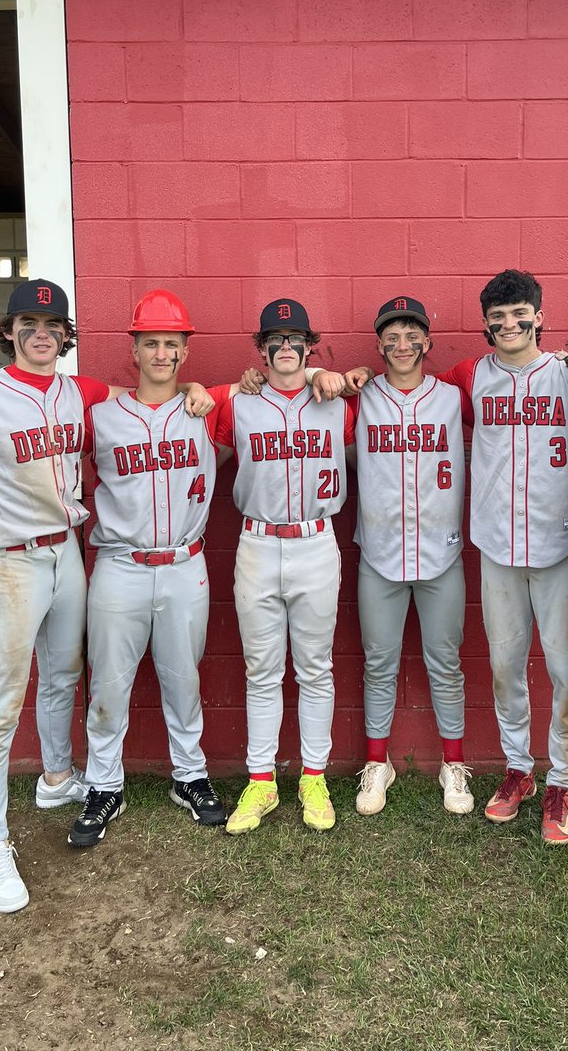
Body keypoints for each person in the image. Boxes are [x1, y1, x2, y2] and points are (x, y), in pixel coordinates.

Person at [339, 270, 568, 844]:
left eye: (520, 314)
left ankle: (562, 781)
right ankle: (519, 770)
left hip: (562, 548)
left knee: (566, 672)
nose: (509, 324)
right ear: (487, 325)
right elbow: (413, 394)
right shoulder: (470, 377)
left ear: (539, 316)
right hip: (497, 549)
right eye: (498, 317)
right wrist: (346, 375)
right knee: (505, 667)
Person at [0, 279, 210, 913]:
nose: (41, 333)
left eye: (53, 324)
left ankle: (57, 777)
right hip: (5, 561)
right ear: (9, 331)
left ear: (66, 335)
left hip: (66, 552)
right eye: (29, 322)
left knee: (62, 673)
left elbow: (138, 397)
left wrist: (195, 390)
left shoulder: (76, 391)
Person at [67, 290, 235, 848]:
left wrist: (203, 391)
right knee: (109, 684)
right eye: (151, 343)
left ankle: (189, 776)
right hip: (119, 564)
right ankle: (104, 784)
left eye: (171, 343)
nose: (161, 353)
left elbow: (275, 385)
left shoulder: (206, 410)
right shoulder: (101, 417)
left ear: (185, 351)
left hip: (187, 563)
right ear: (134, 349)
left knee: (183, 677)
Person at [215, 299, 355, 835]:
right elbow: (204, 439)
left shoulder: (335, 400)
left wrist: (336, 375)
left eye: (297, 338)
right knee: (262, 670)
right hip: (256, 541)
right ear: (262, 348)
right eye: (276, 339)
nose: (286, 348)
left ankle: (313, 775)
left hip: (317, 542)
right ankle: (261, 780)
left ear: (309, 346)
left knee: (315, 667)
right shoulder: (240, 401)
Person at [346, 297, 472, 816]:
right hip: (378, 553)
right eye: (391, 336)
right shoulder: (358, 396)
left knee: (446, 663)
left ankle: (453, 764)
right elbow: (296, 390)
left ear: (427, 343)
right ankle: (378, 763)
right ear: (379, 345)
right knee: (379, 663)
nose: (402, 345)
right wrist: (328, 375)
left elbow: (528, 382)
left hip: (442, 552)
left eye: (411, 335)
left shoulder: (454, 395)